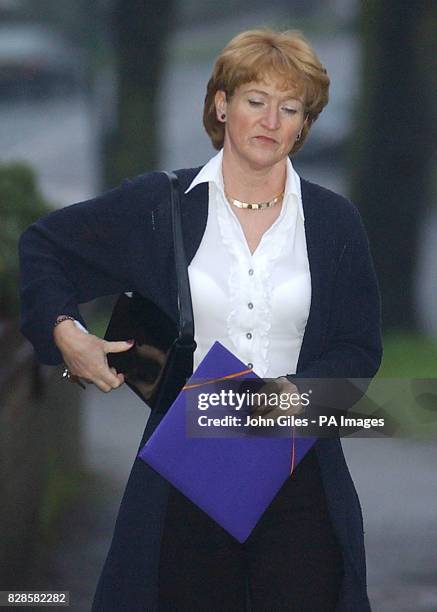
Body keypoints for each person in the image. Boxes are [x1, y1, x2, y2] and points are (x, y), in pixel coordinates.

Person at [19, 29, 382, 611]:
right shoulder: (161, 206)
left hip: (299, 465)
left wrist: (294, 399)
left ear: (303, 125)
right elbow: (46, 247)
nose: (270, 121)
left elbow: (359, 349)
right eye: (255, 101)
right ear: (221, 105)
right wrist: (68, 334)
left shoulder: (335, 222)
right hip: (186, 463)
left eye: (289, 109)